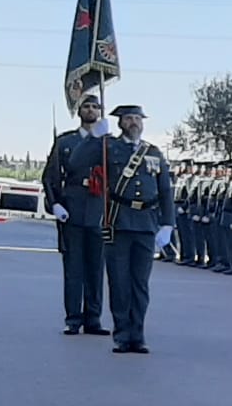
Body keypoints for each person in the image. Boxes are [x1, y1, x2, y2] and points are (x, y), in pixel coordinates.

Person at [79, 104, 176, 353]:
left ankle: (138, 335)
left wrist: (168, 223)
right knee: (119, 283)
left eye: (137, 118)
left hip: (146, 224)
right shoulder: (108, 147)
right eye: (129, 118)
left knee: (140, 284)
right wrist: (93, 137)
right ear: (120, 122)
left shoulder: (153, 152)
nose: (134, 122)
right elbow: (76, 161)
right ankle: (122, 335)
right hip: (118, 222)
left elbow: (165, 190)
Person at [42, 90, 112, 335]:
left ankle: (93, 319)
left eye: (95, 107)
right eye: (86, 106)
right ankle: (73, 318)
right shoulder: (65, 142)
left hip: (98, 209)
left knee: (96, 268)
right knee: (73, 268)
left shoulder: (108, 143)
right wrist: (55, 203)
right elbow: (50, 176)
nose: (91, 110)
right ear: (79, 111)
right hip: (72, 207)